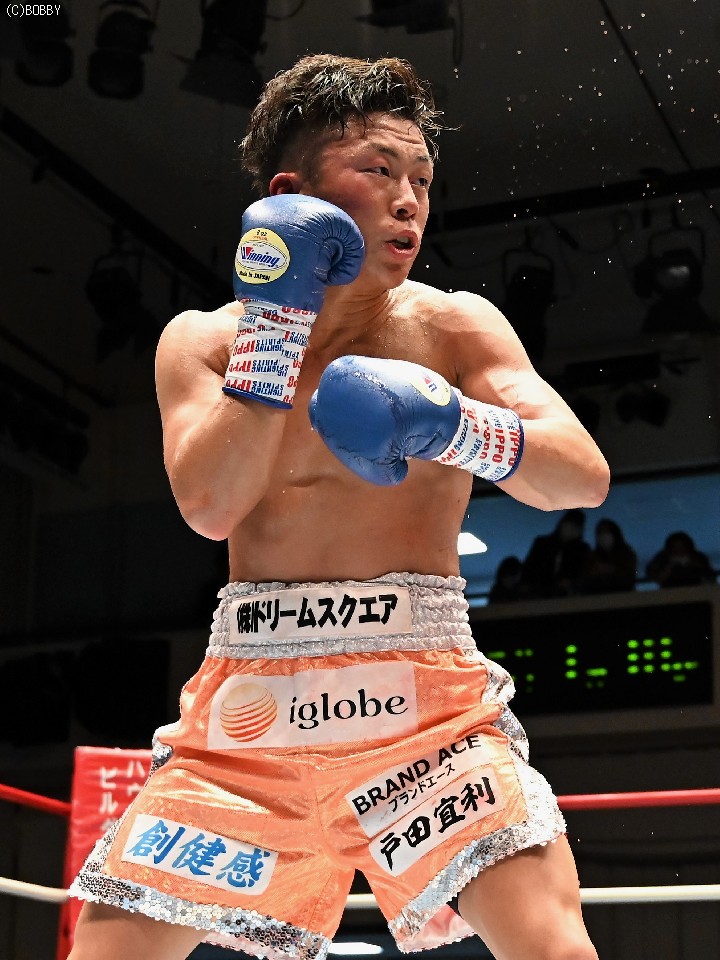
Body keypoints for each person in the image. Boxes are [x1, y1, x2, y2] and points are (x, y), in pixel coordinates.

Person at [68, 54, 609, 960]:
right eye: (380, 171)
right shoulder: (204, 341)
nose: (409, 202)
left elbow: (579, 478)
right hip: (246, 721)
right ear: (293, 194)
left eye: (422, 180)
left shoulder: (453, 325)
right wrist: (275, 330)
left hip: (426, 715)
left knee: (551, 946)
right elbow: (210, 505)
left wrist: (453, 424)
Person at [521, 509, 592, 599]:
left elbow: (583, 574)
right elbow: (529, 569)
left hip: (567, 598)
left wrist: (570, 583)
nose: (570, 529)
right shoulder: (542, 544)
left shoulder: (582, 550)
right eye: (569, 524)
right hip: (537, 595)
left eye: (575, 526)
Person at [577, 519, 637, 595]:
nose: (603, 536)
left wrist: (613, 570)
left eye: (606, 532)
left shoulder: (627, 554)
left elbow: (629, 577)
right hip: (597, 598)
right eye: (600, 532)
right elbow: (583, 580)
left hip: (622, 597)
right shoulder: (591, 557)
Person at [646, 531, 715, 589]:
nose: (679, 551)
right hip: (669, 594)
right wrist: (669, 567)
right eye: (675, 548)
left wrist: (696, 566)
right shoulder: (662, 558)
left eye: (682, 547)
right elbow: (655, 578)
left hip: (696, 592)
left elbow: (710, 578)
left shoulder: (698, 557)